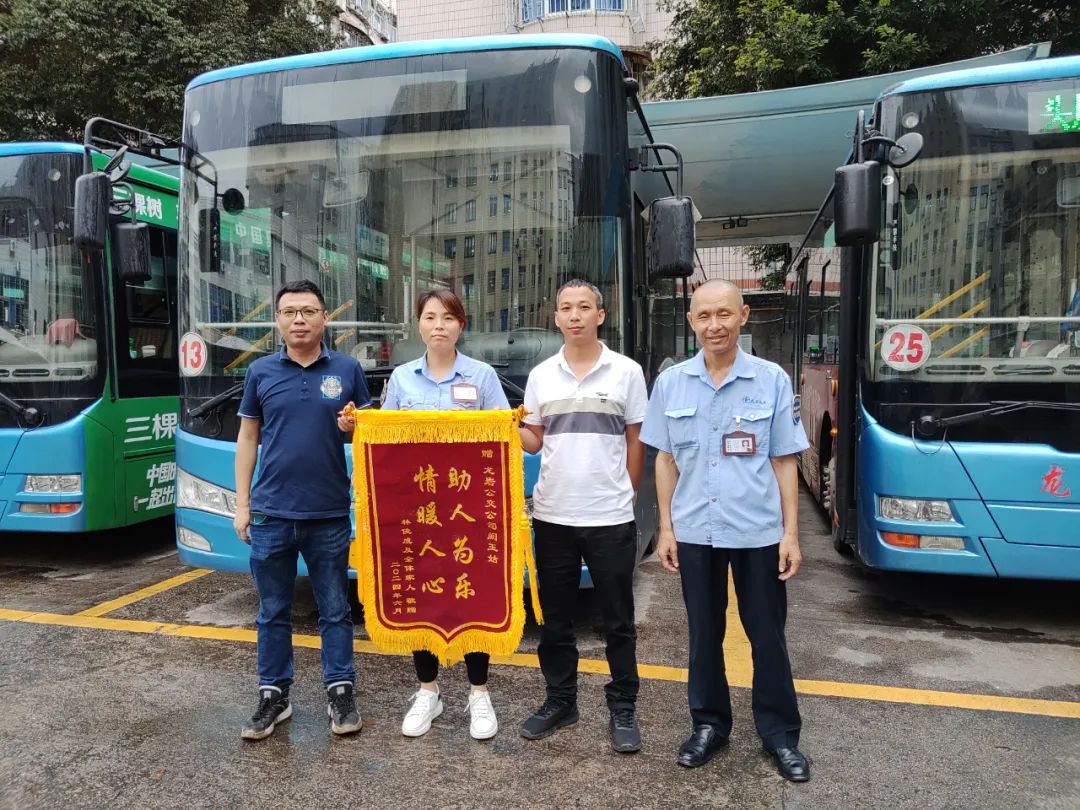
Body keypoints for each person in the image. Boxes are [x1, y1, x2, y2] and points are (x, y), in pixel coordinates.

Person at [639, 279, 811, 781]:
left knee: (766, 635)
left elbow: (784, 460)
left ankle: (780, 736)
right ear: (691, 321)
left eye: (724, 314)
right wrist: (666, 527)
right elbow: (665, 460)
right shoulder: (671, 383)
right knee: (703, 633)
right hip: (695, 529)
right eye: (704, 316)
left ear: (743, 316)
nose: (714, 325)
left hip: (757, 531)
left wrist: (791, 534)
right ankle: (709, 725)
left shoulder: (771, 379)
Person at [351, 288, 509, 740]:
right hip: (417, 511)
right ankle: (428, 691)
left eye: (448, 317)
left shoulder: (482, 377)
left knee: (472, 596)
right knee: (420, 595)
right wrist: (358, 423)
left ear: (461, 325)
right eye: (430, 317)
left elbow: (504, 435)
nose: (439, 325)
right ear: (418, 324)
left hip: (467, 512)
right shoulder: (402, 379)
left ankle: (479, 693)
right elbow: (386, 440)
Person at [234, 279, 370, 741]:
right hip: (271, 513)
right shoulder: (260, 372)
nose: (299, 320)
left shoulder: (348, 369)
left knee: (335, 609)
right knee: (272, 610)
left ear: (324, 318)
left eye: (308, 311)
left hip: (328, 513)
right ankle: (274, 695)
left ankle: (340, 691)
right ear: (277, 320)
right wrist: (242, 504)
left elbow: (368, 434)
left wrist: (353, 426)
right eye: (290, 312)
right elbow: (248, 437)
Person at [517, 279, 647, 754]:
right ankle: (561, 701)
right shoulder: (541, 376)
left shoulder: (627, 372)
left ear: (600, 315)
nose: (575, 315)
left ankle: (623, 706)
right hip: (553, 514)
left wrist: (627, 493)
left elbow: (636, 438)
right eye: (566, 308)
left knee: (618, 621)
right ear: (556, 318)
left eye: (584, 307)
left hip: (610, 516)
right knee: (556, 620)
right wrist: (506, 424)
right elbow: (534, 441)